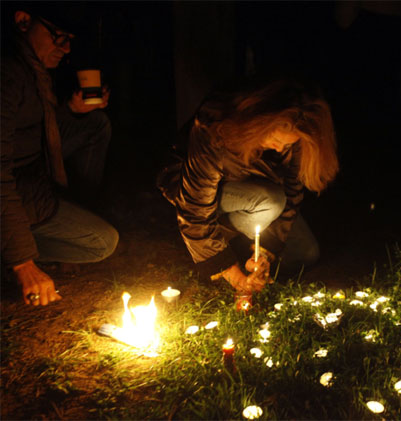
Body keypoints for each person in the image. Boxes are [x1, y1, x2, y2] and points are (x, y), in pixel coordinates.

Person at [157, 80, 339, 294]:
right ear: (261, 122)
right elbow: (194, 206)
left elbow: (292, 192)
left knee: (305, 252)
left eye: (287, 145)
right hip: (197, 189)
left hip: (255, 193)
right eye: (276, 140)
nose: (281, 149)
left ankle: (241, 246)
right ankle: (219, 243)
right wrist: (231, 272)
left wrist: (265, 251)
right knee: (270, 201)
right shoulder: (217, 123)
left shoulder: (296, 130)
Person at [1, 5, 119, 306]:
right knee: (101, 242)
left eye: (70, 39)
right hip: (19, 182)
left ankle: (76, 212)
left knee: (96, 124)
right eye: (58, 36)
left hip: (32, 169)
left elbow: (33, 128)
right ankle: (13, 251)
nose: (66, 48)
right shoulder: (7, 73)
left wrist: (71, 111)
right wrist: (23, 263)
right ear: (24, 20)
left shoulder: (32, 68)